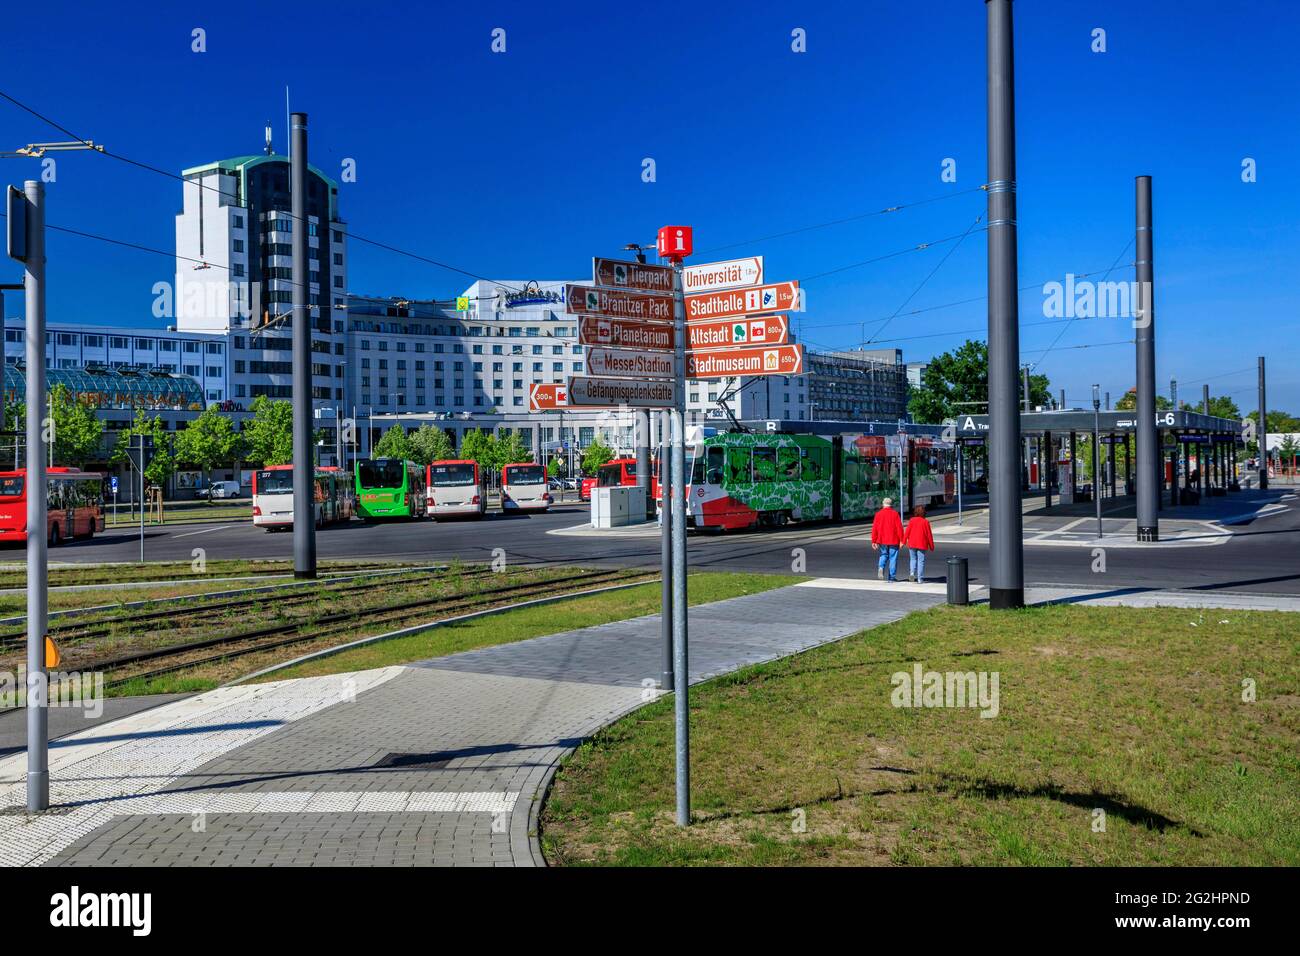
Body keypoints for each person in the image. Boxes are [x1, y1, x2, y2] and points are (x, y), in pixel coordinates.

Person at [870, 497, 904, 582]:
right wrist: (902, 540)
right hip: (893, 539)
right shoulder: (895, 514)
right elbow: (899, 528)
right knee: (893, 558)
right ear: (891, 505)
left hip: (882, 539)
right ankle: (891, 577)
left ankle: (881, 567)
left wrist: (874, 540)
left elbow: (875, 528)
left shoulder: (878, 514)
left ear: (883, 504)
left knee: (883, 554)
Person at [904, 504, 935, 583]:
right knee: (921, 561)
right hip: (922, 544)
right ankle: (920, 578)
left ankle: (912, 573)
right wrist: (931, 546)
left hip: (912, 543)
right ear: (924, 513)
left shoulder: (912, 520)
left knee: (913, 559)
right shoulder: (926, 522)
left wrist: (903, 541)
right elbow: (929, 535)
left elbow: (907, 532)